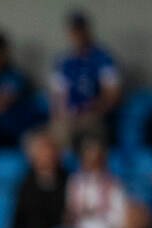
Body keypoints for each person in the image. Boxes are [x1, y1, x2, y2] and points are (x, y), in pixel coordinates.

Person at [49, 11, 121, 147]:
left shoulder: (103, 58)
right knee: (54, 133)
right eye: (74, 31)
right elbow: (57, 99)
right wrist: (63, 115)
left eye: (80, 30)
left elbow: (113, 95)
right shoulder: (63, 62)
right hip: (70, 117)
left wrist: (95, 107)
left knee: (90, 128)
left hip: (95, 115)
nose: (78, 35)